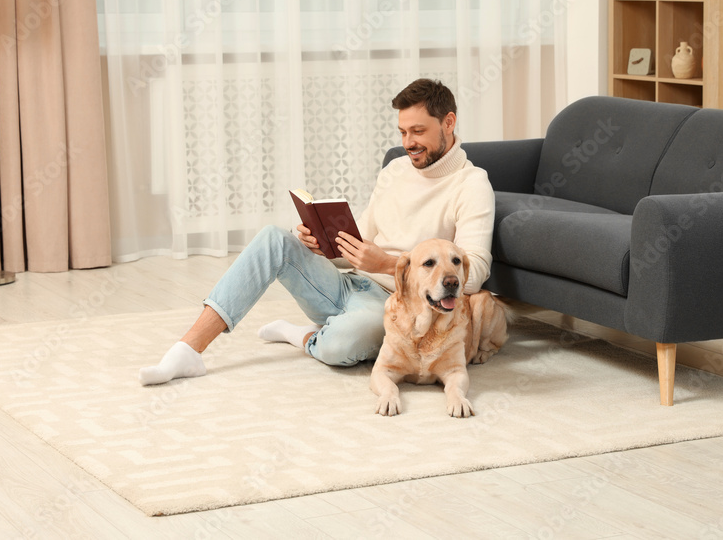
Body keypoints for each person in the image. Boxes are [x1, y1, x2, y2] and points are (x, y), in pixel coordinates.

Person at [139, 78, 495, 385]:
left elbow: (474, 273)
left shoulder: (471, 184)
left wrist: (388, 265)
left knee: (343, 345)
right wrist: (324, 246)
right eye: (403, 131)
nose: (408, 142)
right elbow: (359, 242)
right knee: (273, 239)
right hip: (351, 285)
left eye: (418, 131)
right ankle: (188, 350)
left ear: (448, 123)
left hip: (397, 305)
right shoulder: (396, 170)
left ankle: (300, 335)